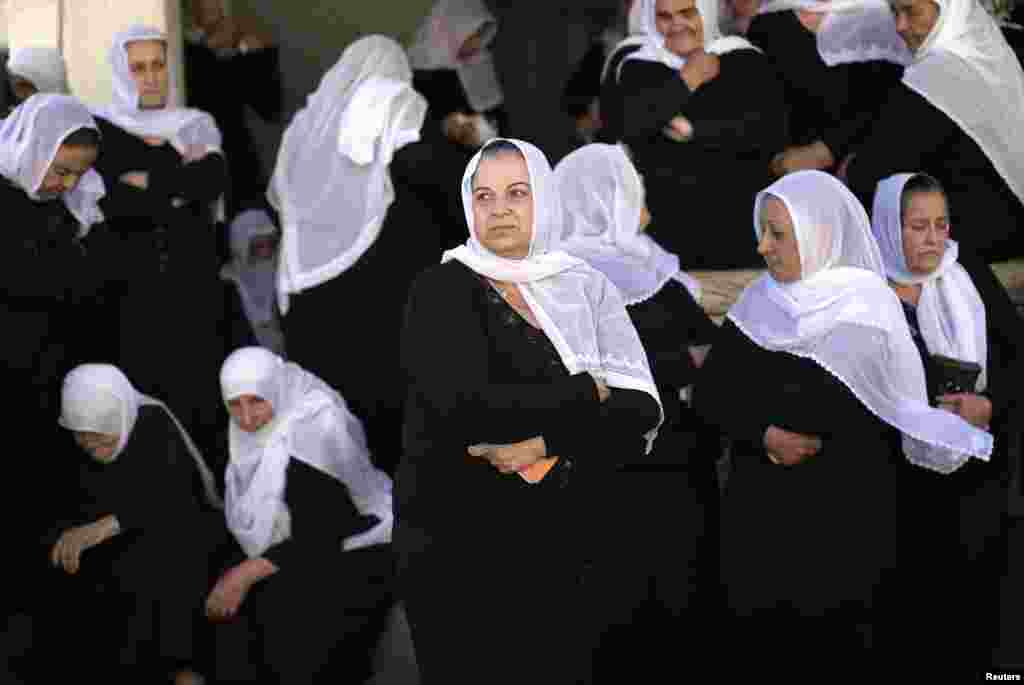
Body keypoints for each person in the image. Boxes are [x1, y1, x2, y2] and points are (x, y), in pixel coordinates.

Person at [694, 170, 993, 679]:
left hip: (848, 527)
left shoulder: (869, 305)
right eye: (763, 232)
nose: (763, 247)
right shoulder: (758, 302)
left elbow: (893, 405)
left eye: (777, 234)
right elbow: (712, 394)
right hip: (763, 527)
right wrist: (764, 435)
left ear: (818, 234)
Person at [396, 138, 663, 684]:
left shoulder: (585, 286)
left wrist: (544, 443)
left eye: (517, 193)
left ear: (544, 197)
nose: (499, 210)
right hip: (461, 543)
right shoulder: (439, 288)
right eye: (485, 196)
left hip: (571, 538)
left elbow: (638, 408)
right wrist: (584, 393)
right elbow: (466, 406)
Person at [554, 143, 720, 680]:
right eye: (631, 193)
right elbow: (701, 353)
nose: (642, 205)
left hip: (592, 465)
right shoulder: (641, 279)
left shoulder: (548, 281)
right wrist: (682, 364)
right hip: (659, 461)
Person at [870, 172, 1023, 676]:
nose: (934, 239)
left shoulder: (965, 273)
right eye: (918, 227)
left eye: (941, 224)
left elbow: (1017, 358)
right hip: (896, 484)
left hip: (976, 475)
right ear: (889, 227)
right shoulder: (862, 288)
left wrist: (990, 405)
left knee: (978, 619)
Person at [270, 35, 434, 474]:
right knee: (385, 421)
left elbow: (283, 200)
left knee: (330, 422)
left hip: (311, 294)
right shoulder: (396, 110)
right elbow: (437, 178)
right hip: (381, 300)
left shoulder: (307, 127)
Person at [773, 0, 1024, 261]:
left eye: (911, 11)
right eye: (894, 12)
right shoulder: (980, 49)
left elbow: (870, 174)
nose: (900, 26)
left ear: (947, 8)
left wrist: (831, 176)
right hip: (1006, 222)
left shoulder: (940, 73)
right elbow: (885, 118)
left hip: (975, 237)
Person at [0, 94, 120, 619]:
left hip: (54, 371)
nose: (68, 185)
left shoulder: (69, 205)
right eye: (60, 170)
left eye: (79, 174)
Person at [209, 347, 395, 683]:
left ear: (276, 390)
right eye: (234, 404)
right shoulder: (247, 430)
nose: (246, 419)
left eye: (257, 401)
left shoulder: (313, 427)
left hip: (354, 539)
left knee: (289, 625)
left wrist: (245, 574)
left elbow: (326, 529)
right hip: (294, 539)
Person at [91, 25, 229, 461]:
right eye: (138, 68)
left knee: (200, 400)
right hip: (134, 291)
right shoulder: (100, 130)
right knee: (147, 401)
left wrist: (150, 183)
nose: (151, 77)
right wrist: (175, 188)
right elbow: (115, 203)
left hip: (193, 285)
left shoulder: (194, 124)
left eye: (157, 65)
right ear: (121, 72)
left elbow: (210, 181)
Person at [35, 364, 222, 684]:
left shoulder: (153, 425)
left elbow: (170, 499)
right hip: (118, 582)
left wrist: (103, 527)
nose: (93, 449)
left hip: (173, 566)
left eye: (102, 439)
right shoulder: (74, 442)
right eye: (82, 438)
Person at [615, 0, 787, 268]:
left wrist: (694, 130)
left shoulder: (744, 59)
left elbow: (765, 133)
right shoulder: (636, 67)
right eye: (665, 17)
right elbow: (635, 131)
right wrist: (687, 80)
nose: (677, 25)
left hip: (739, 232)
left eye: (687, 13)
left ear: (706, 11)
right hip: (668, 240)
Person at [184, 0, 283, 215]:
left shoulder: (236, 49)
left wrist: (253, 54)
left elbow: (271, 109)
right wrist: (212, 46)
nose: (215, 5)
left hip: (240, 175)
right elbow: (201, 90)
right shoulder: (179, 49)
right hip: (194, 171)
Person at [220, 208, 285, 357]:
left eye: (270, 243)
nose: (266, 251)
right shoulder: (228, 283)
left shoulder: (283, 274)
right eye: (259, 245)